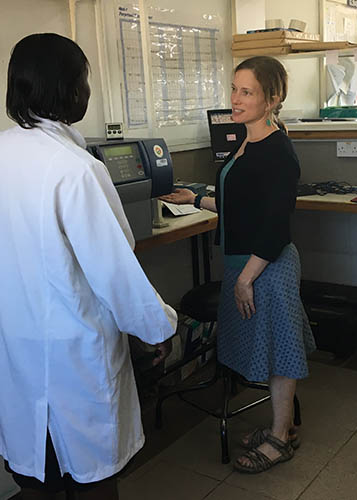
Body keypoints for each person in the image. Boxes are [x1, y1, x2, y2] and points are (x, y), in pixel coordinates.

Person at [0, 33, 177, 499]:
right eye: (84, 79)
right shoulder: (75, 168)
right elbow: (114, 272)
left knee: (36, 474)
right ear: (67, 87)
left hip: (16, 347)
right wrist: (157, 329)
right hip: (74, 356)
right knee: (89, 480)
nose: (87, 90)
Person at [160, 56, 315, 474]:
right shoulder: (246, 140)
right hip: (245, 262)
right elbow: (241, 205)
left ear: (272, 99)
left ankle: (280, 438)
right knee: (267, 345)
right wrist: (195, 199)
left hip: (266, 266)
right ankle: (282, 427)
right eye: (234, 88)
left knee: (280, 351)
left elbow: (275, 227)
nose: (236, 98)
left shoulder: (278, 151)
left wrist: (246, 280)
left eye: (247, 92)